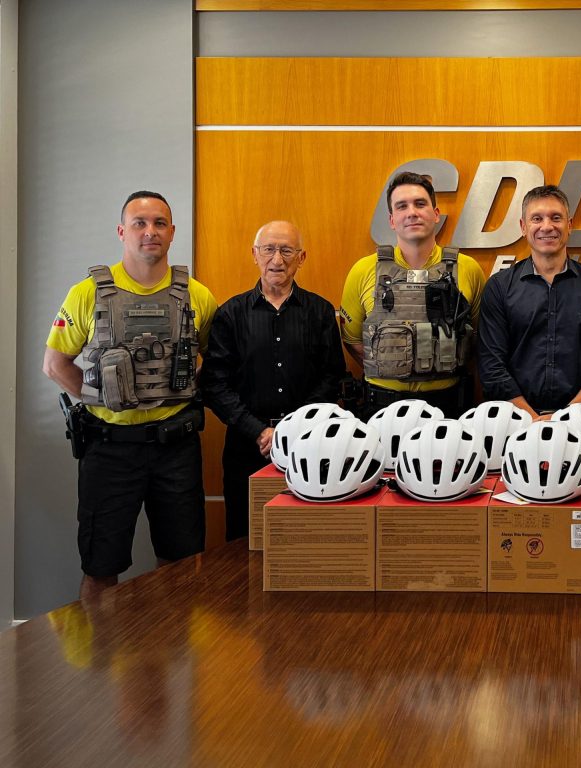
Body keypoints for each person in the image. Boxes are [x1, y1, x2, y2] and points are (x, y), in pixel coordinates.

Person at [43, 191, 218, 600]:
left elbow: (215, 360)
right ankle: (101, 646)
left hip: (176, 449)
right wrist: (102, 398)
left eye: (159, 223)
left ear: (172, 232)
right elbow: (54, 364)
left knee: (182, 565)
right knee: (100, 570)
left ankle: (172, 643)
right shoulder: (86, 293)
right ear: (122, 231)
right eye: (139, 223)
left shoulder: (198, 295)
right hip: (109, 450)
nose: (150, 231)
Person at [200, 221, 346, 541]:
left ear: (301, 258)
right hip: (246, 446)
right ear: (255, 254)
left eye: (286, 251)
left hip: (310, 445)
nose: (277, 260)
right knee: (243, 539)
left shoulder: (320, 312)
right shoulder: (230, 314)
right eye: (268, 250)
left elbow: (332, 377)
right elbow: (214, 384)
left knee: (306, 540)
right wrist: (259, 431)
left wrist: (293, 428)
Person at [339, 171, 486, 418]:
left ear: (436, 214)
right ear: (392, 220)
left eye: (420, 204)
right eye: (402, 206)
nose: (412, 213)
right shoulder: (363, 270)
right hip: (382, 408)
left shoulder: (468, 269)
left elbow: (479, 336)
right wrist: (391, 363)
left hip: (449, 407)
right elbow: (352, 340)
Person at [477, 185, 581, 418]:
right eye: (537, 218)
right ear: (523, 227)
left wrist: (562, 419)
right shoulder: (499, 288)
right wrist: (533, 419)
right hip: (515, 421)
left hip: (580, 422)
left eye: (556, 217)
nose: (547, 226)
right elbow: (491, 367)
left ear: (569, 225)